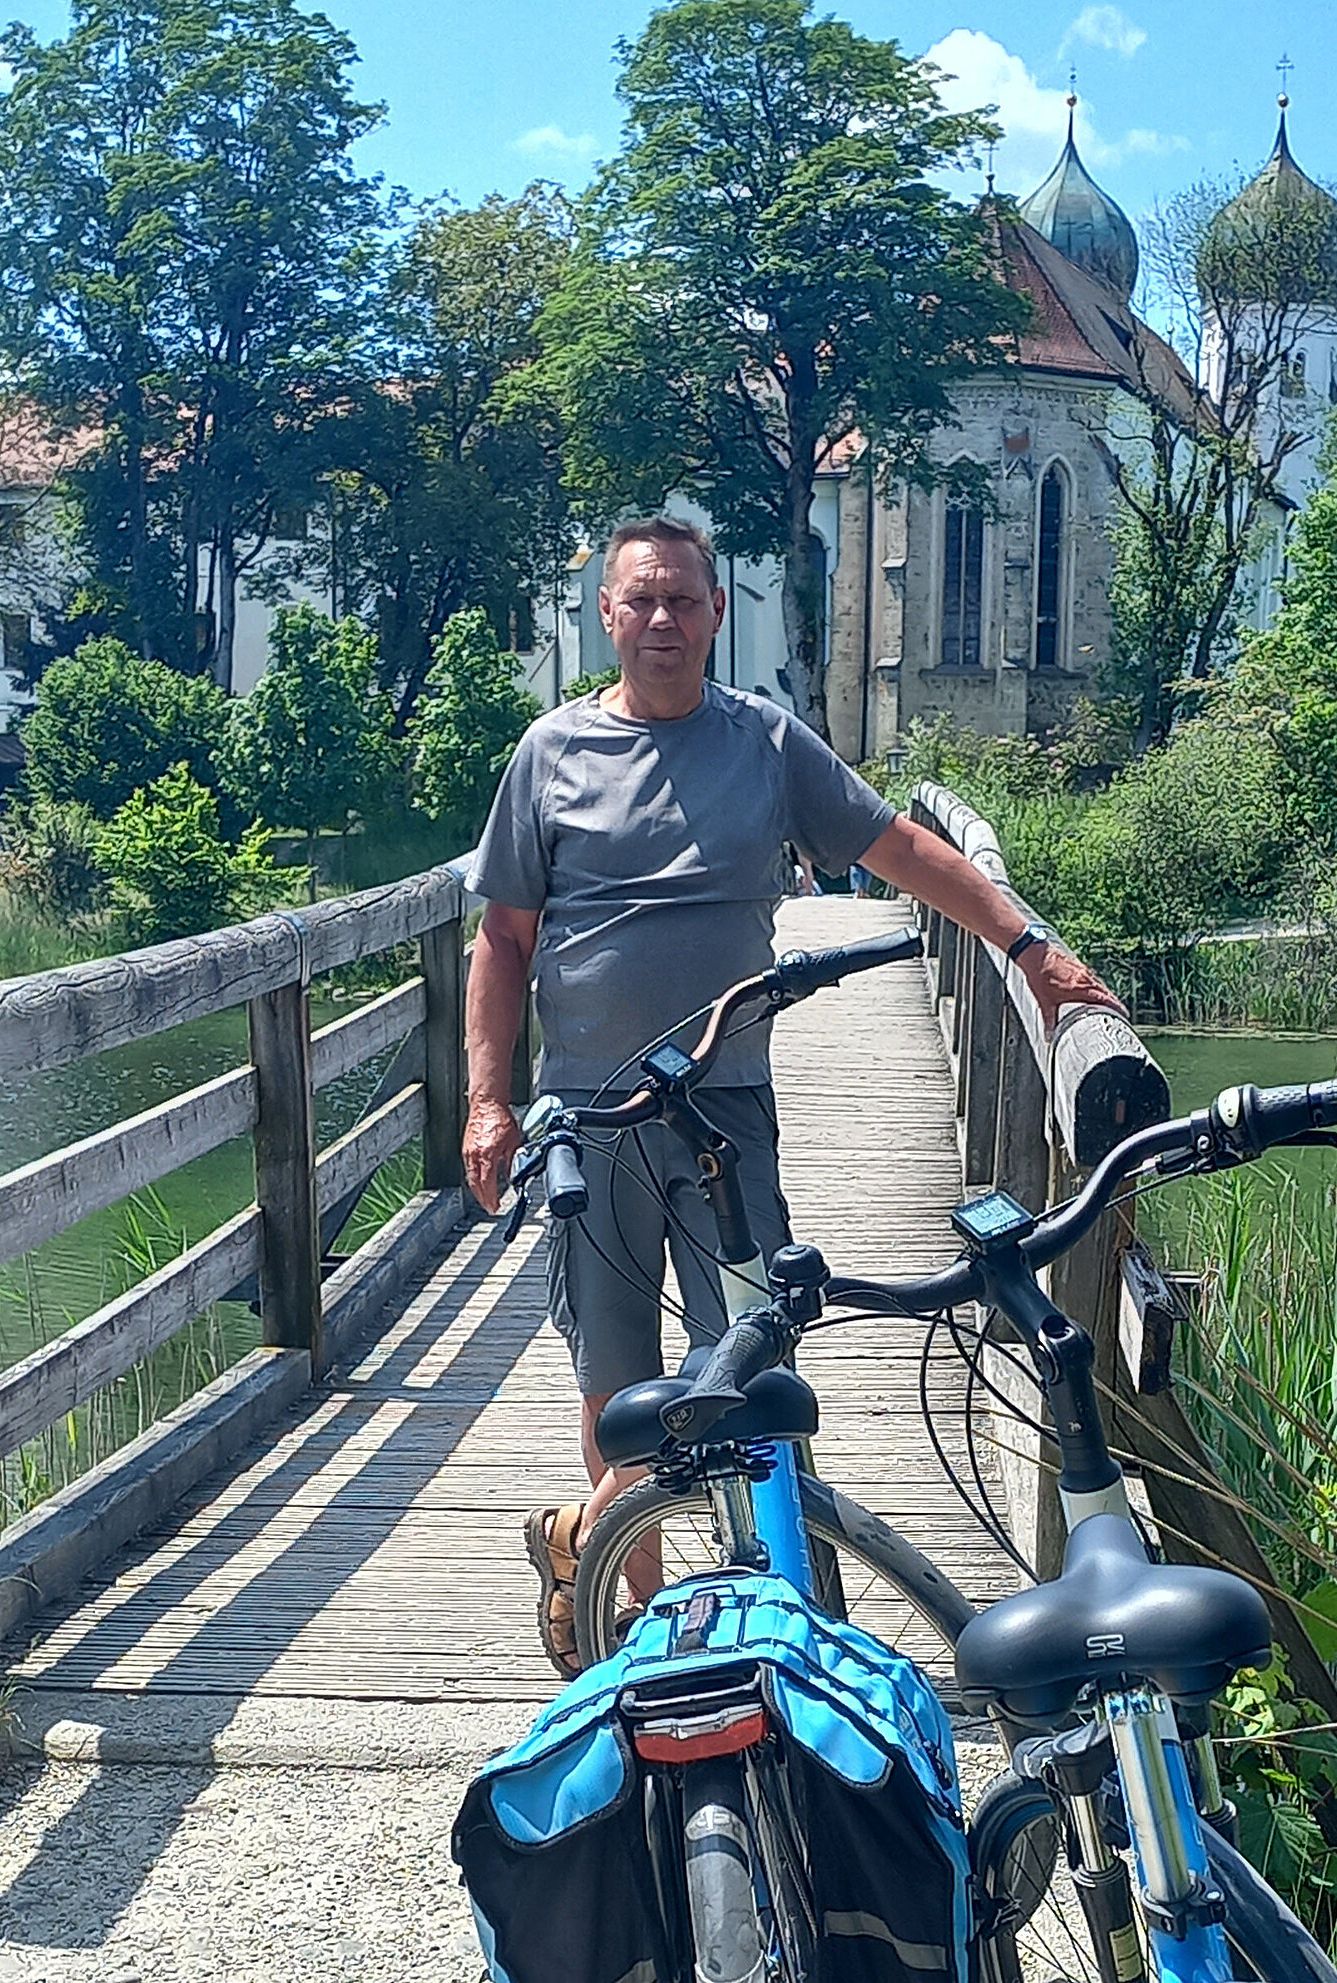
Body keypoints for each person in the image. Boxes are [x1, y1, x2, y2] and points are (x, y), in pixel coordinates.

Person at [462, 515, 1126, 1674]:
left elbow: (901, 850)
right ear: (606, 616)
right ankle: (637, 1624)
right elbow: (502, 939)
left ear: (717, 613)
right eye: (642, 601)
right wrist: (487, 1101)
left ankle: (776, 1598)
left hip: (726, 1112)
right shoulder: (547, 754)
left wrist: (1030, 951)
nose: (663, 620)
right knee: (612, 1372)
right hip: (591, 1117)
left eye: (684, 600)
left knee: (754, 1360)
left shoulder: (765, 745)